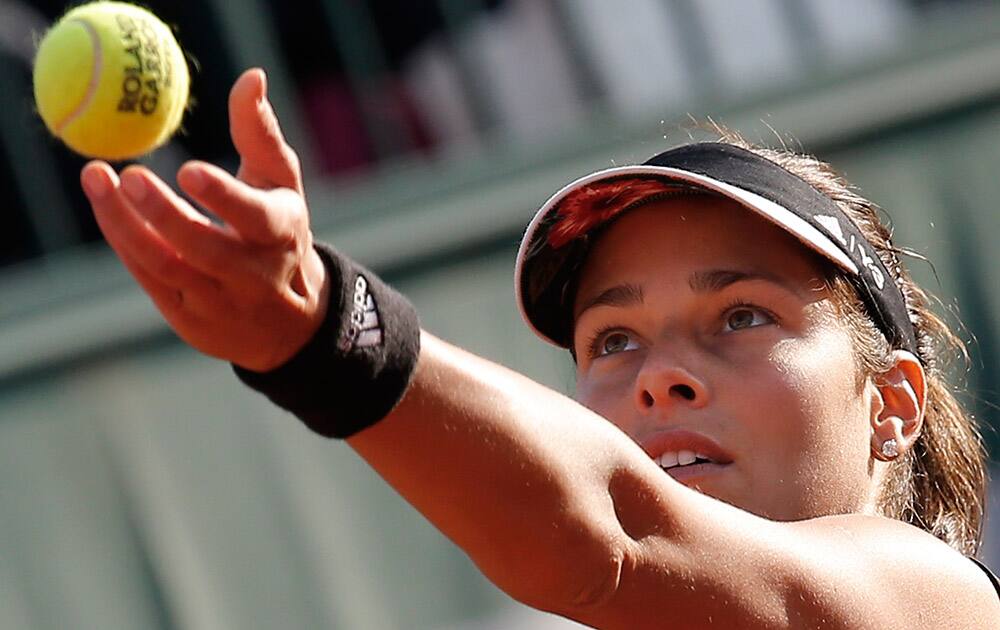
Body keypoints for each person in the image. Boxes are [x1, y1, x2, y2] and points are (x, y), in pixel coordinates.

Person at [80, 68, 1000, 628]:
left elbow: (612, 533)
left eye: (742, 316)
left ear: (892, 405)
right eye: (614, 339)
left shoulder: (932, 605)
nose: (660, 377)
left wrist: (326, 333)